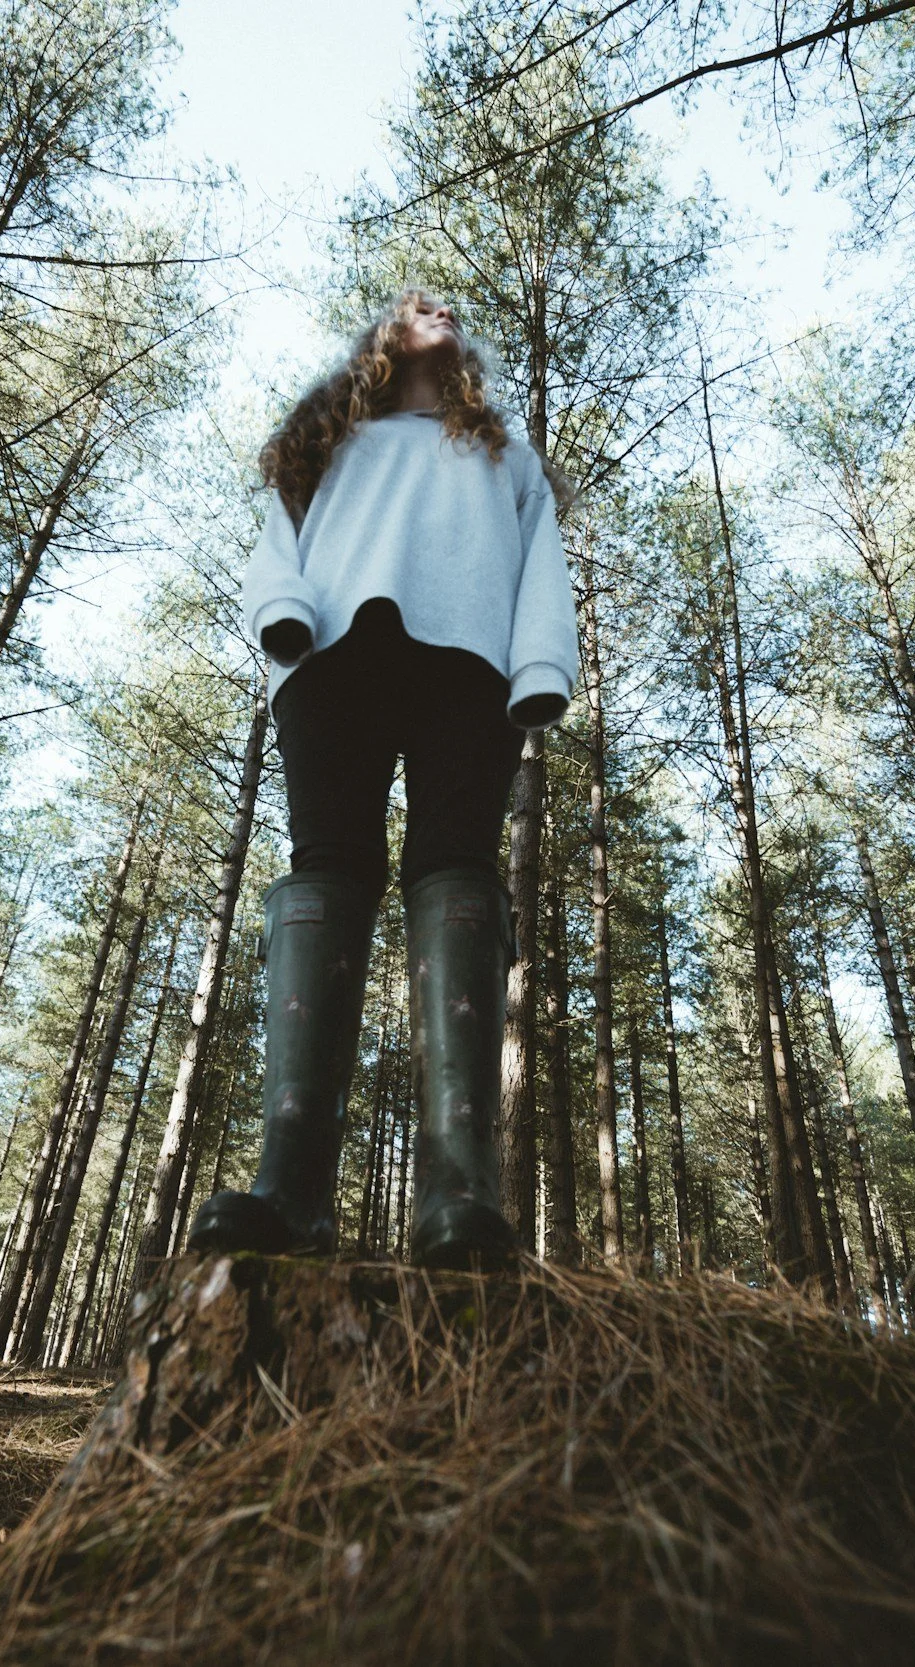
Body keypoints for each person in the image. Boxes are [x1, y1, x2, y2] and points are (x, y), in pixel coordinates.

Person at [187, 291, 578, 1269]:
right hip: (328, 655)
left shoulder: (505, 454)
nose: (433, 307)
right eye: (412, 304)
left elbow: (544, 568)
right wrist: (283, 618)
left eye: (446, 305)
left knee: (454, 865)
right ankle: (292, 1189)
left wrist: (540, 672)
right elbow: (276, 549)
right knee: (328, 864)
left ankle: (457, 1191)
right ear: (379, 339)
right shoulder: (329, 438)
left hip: (471, 665)